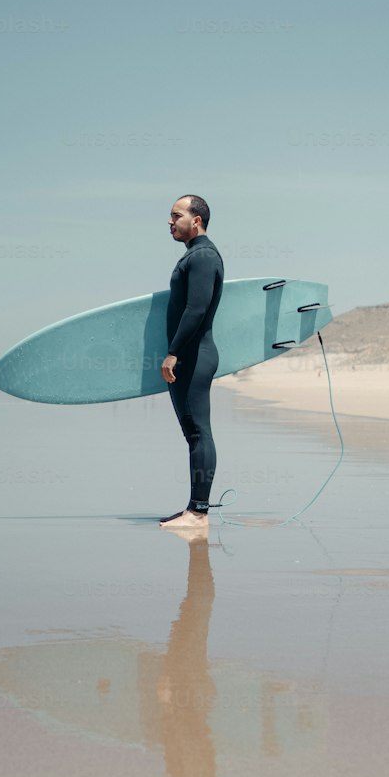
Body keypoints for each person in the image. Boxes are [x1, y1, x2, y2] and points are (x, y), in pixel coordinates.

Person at [159, 195, 224, 537]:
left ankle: (198, 513)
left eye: (176, 215)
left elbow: (196, 310)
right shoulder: (196, 256)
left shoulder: (202, 257)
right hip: (193, 354)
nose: (170, 222)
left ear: (196, 220)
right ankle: (194, 508)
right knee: (194, 433)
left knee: (199, 433)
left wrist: (173, 353)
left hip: (194, 356)